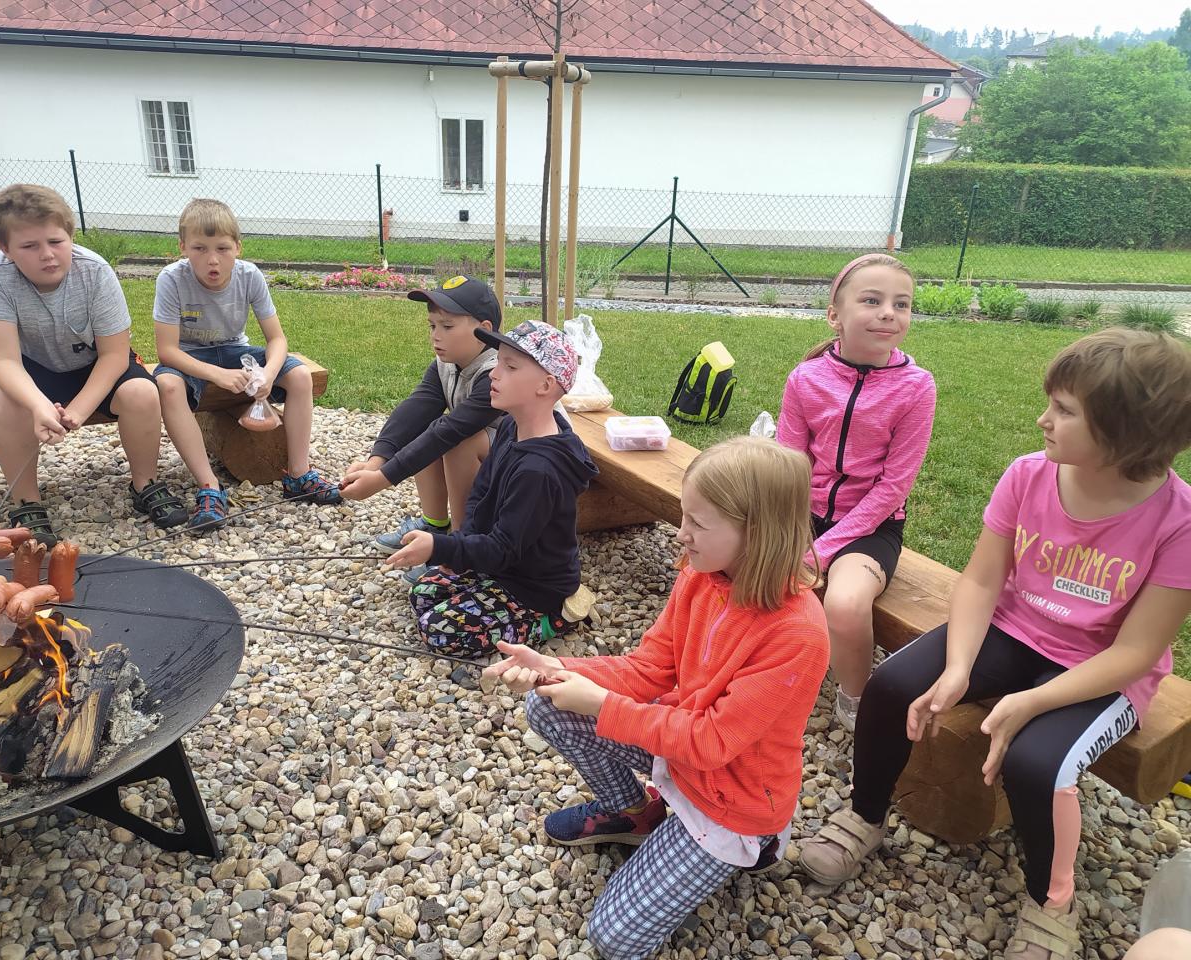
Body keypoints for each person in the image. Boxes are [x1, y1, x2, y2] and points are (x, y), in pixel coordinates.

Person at [797, 329, 1191, 960]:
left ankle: (1052, 902)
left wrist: (1033, 702)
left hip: (1101, 670)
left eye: (1064, 410)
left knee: (1037, 764)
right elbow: (982, 581)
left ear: (1126, 435)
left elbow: (1136, 653)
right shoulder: (1028, 475)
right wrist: (958, 667)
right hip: (1013, 629)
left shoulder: (1179, 521)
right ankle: (865, 815)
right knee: (892, 686)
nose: (1043, 419)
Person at [484, 436, 830, 960]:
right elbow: (649, 669)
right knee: (549, 701)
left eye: (698, 523)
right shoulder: (701, 573)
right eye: (683, 515)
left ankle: (757, 850)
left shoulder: (798, 635)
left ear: (756, 532)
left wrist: (602, 704)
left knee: (613, 938)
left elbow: (713, 743)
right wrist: (557, 669)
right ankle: (635, 814)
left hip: (729, 804)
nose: (681, 533)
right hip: (679, 755)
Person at [776, 252, 936, 730]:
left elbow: (894, 487)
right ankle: (764, 670)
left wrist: (821, 550)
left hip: (872, 526)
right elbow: (789, 463)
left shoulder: (916, 388)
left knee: (845, 604)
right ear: (835, 315)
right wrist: (787, 531)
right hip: (802, 514)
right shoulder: (806, 378)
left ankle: (856, 698)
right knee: (744, 569)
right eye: (872, 300)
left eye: (901, 304)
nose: (889, 313)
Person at [0, 183, 186, 545]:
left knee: (141, 392)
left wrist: (77, 412)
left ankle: (145, 483)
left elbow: (114, 355)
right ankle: (26, 501)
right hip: (30, 368)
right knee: (4, 401)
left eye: (56, 241)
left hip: (94, 363)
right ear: (5, 248)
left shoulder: (95, 271)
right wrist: (39, 406)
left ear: (70, 235)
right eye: (29, 246)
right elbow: (3, 360)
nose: (47, 255)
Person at [387, 319, 596, 657]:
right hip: (501, 569)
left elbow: (503, 548)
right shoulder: (512, 426)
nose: (494, 374)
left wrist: (439, 547)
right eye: (498, 362)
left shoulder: (539, 472)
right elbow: (480, 494)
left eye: (510, 367)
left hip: (533, 588)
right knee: (423, 593)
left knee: (438, 630)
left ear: (545, 385)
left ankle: (551, 621)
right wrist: (456, 548)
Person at [152, 199, 342, 528]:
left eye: (222, 248)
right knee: (167, 385)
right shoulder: (171, 279)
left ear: (238, 247)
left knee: (299, 375)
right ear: (182, 247)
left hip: (234, 349)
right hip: (190, 356)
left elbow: (277, 339)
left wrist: (268, 373)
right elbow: (167, 351)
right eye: (199, 248)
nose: (212, 259)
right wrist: (218, 375)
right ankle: (210, 487)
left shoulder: (249, 275)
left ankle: (298, 473)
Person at [342, 276, 503, 582]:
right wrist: (376, 461)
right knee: (427, 428)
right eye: (432, 325)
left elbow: (451, 431)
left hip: (523, 465)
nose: (435, 335)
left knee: (457, 441)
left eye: (447, 326)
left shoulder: (498, 371)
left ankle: (461, 548)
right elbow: (416, 409)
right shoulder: (447, 363)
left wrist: (381, 480)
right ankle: (435, 525)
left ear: (485, 329)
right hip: (489, 456)